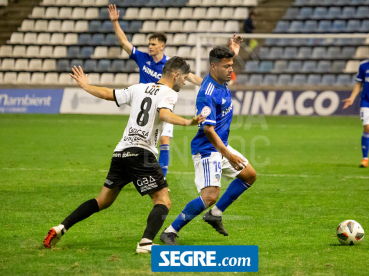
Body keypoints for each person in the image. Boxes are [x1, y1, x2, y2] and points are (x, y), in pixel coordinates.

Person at [43, 57, 205, 253]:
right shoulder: (169, 93)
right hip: (141, 153)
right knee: (163, 200)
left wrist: (86, 85)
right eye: (185, 78)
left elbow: (108, 94)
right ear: (176, 75)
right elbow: (163, 115)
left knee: (103, 200)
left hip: (121, 152)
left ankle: (61, 227)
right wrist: (189, 122)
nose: (185, 82)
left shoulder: (138, 88)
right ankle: (146, 243)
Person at [160, 44, 258, 245]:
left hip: (220, 146)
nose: (231, 70)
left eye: (232, 65)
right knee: (210, 195)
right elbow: (208, 129)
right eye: (227, 66)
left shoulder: (219, 77)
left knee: (249, 175)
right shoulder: (207, 93)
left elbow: (224, 63)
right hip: (207, 149)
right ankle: (170, 231)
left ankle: (215, 214)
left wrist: (232, 52)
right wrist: (227, 154)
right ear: (214, 67)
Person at [108, 4, 203, 177]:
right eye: (149, 44)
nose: (150, 47)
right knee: (141, 142)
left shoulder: (171, 65)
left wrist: (210, 85)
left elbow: (192, 78)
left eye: (153, 44)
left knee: (164, 140)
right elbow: (124, 42)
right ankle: (139, 172)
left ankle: (161, 178)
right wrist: (115, 22)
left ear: (162, 46)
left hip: (162, 105)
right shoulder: (142, 58)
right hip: (143, 106)